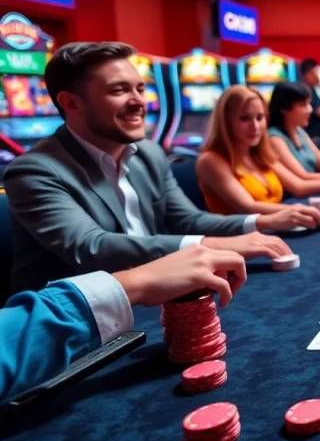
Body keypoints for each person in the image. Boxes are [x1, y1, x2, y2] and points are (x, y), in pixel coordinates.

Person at [4, 42, 304, 294]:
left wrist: (261, 224)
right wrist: (213, 245)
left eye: (140, 88)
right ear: (71, 104)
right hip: (78, 325)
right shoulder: (36, 171)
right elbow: (91, 247)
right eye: (120, 91)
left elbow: (189, 220)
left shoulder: (148, 152)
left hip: (155, 294)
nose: (139, 102)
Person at [0, 245, 246, 404]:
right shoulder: (33, 171)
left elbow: (183, 215)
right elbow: (90, 244)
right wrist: (135, 282)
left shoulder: (144, 162)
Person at [197, 86, 320, 217]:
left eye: (260, 117)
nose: (255, 126)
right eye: (244, 118)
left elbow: (298, 183)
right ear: (226, 122)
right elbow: (248, 207)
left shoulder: (258, 154)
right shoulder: (211, 160)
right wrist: (298, 210)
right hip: (240, 248)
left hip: (278, 230)